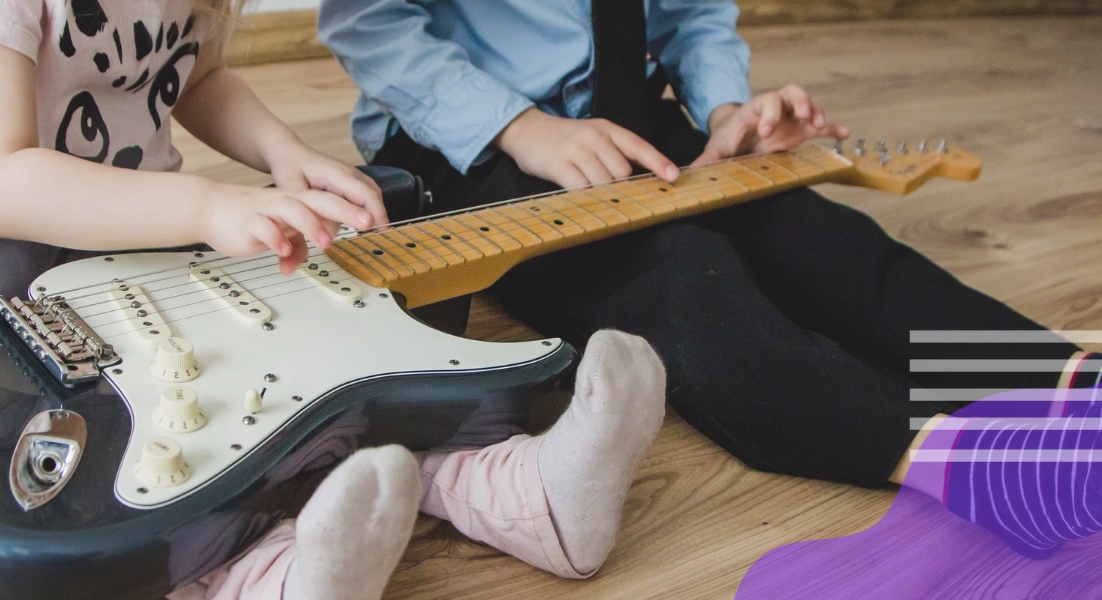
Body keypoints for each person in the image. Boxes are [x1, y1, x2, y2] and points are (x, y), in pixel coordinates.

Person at [0, 1, 670, 598]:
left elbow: (198, 79)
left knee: (310, 368)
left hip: (133, 260)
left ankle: (530, 496)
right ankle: (270, 579)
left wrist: (283, 153)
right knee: (158, 467)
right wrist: (206, 208)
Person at [317, 0, 1102, 559]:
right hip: (473, 140)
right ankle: (966, 463)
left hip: (631, 115)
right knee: (686, 282)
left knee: (828, 242)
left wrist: (729, 112)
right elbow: (365, 20)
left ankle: (1057, 378)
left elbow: (694, 15)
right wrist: (522, 130)